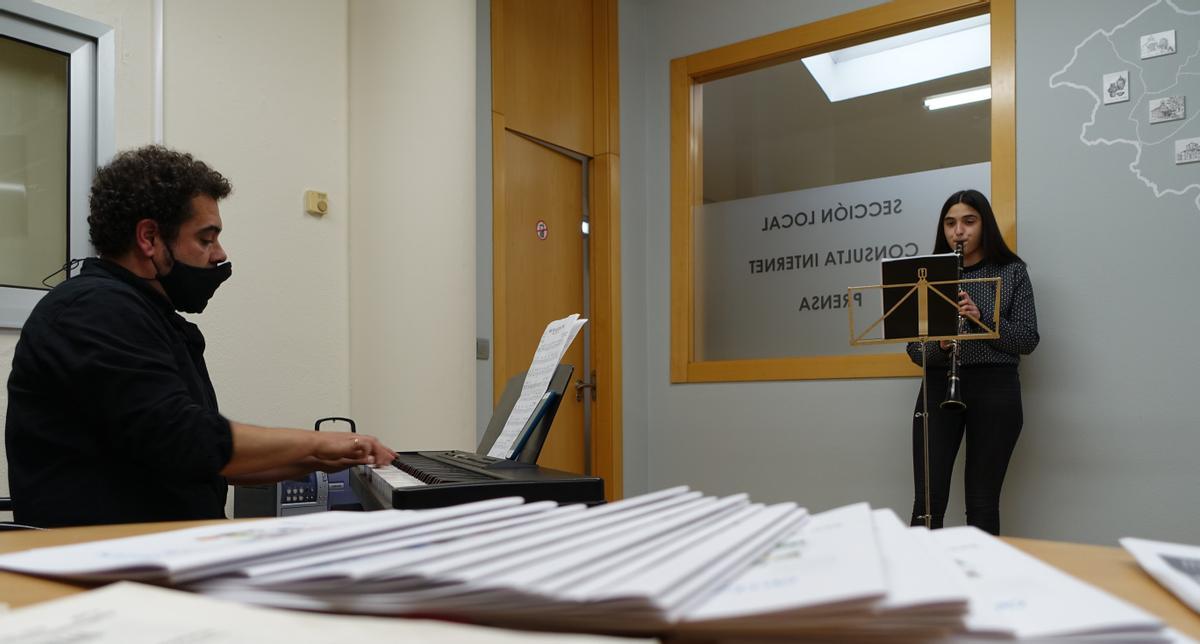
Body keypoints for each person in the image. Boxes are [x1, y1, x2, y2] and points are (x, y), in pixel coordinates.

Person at [5, 145, 396, 527]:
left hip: (161, 549)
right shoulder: (91, 311)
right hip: (107, 565)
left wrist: (328, 458)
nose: (220, 254)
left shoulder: (150, 317)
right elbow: (187, 441)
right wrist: (316, 444)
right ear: (149, 238)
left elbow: (204, 460)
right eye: (206, 239)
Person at [906, 189, 1039, 535]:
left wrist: (983, 320)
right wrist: (942, 344)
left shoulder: (1011, 272)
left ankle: (983, 583)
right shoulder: (928, 275)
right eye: (950, 223)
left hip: (996, 387)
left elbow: (1027, 340)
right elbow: (915, 352)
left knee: (982, 502)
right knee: (927, 504)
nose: (958, 231)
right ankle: (920, 583)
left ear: (985, 225)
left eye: (969, 221)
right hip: (938, 384)